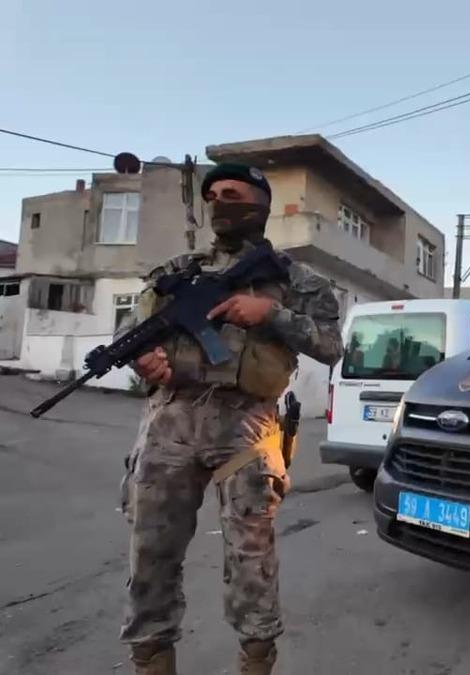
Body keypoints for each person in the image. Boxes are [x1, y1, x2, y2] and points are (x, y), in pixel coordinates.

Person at [118, 163, 344, 675]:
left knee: (251, 557)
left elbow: (331, 346)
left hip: (247, 428)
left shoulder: (297, 281)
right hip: (169, 421)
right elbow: (134, 335)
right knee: (150, 554)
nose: (221, 203)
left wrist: (271, 314)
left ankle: (256, 659)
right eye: (214, 195)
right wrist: (144, 360)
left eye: (234, 195)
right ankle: (150, 659)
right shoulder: (176, 272)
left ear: (261, 206)